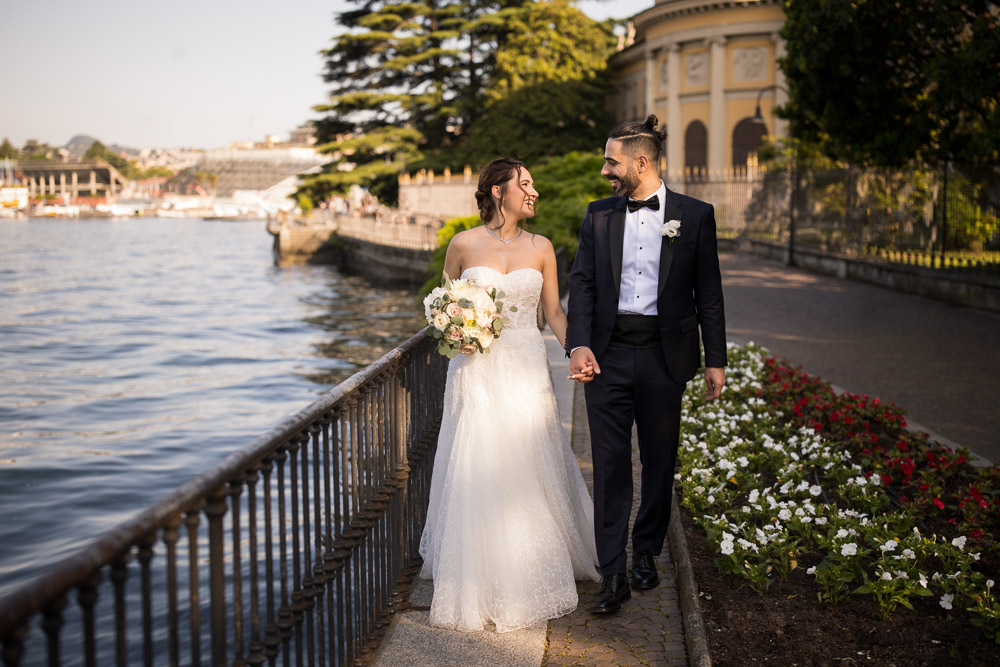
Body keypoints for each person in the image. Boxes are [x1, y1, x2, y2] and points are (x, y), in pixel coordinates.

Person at [418, 157, 601, 632]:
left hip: (524, 363)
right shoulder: (462, 244)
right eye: (526, 184)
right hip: (475, 369)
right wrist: (457, 330)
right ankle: (477, 572)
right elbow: (444, 305)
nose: (534, 192)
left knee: (526, 457)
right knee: (477, 460)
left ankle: (532, 563)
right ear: (499, 191)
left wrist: (576, 349)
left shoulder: (542, 247)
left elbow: (554, 312)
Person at [566, 115, 727, 613]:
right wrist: (577, 345)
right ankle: (613, 572)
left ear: (641, 162)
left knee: (659, 459)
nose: (604, 171)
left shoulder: (695, 215)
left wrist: (716, 360)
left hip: (665, 356)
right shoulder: (598, 215)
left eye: (610, 162)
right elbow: (582, 284)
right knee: (610, 464)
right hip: (607, 356)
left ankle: (646, 552)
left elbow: (709, 293)